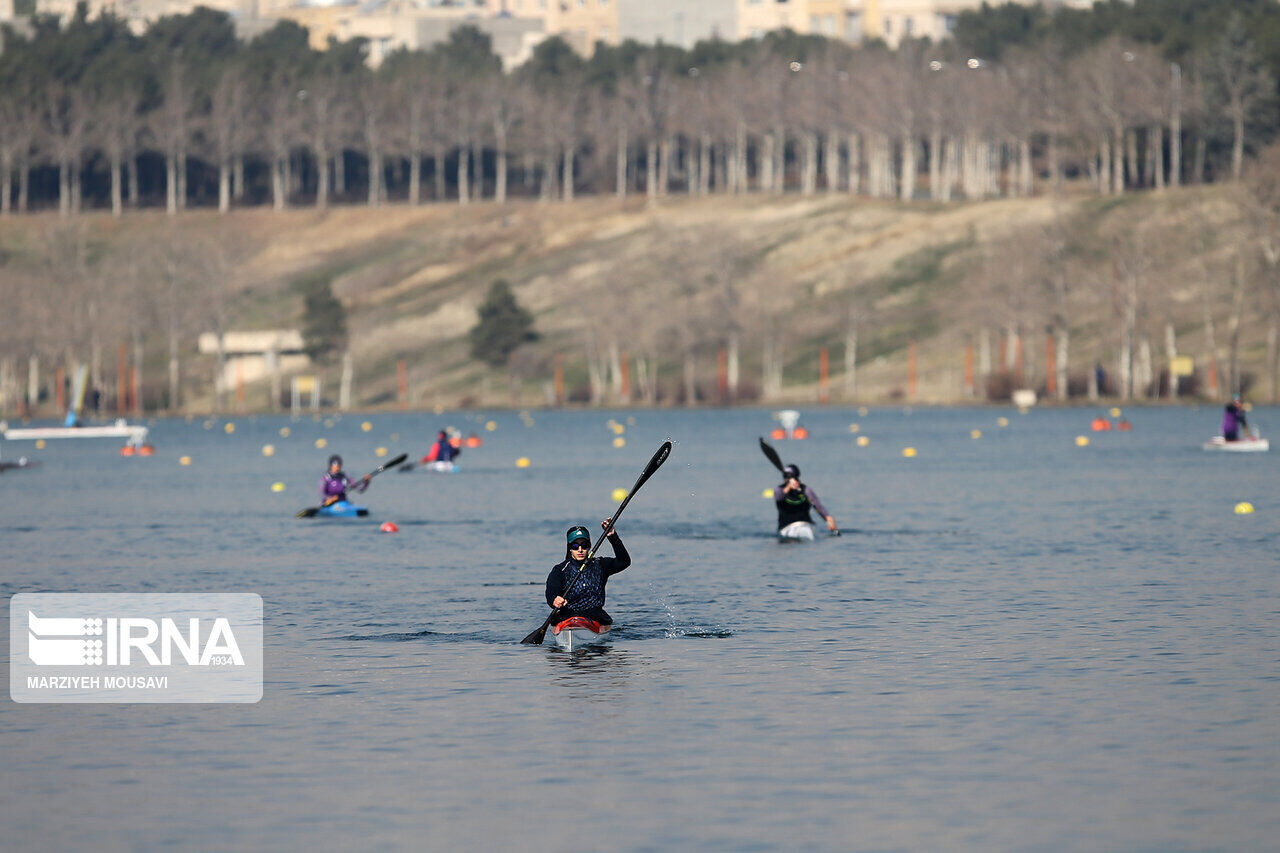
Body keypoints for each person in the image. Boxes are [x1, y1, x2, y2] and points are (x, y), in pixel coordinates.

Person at [544, 519, 630, 626]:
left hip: (595, 615)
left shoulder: (601, 564)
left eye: (584, 545)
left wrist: (613, 536)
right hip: (568, 616)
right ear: (570, 548)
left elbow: (624, 562)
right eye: (575, 546)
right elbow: (551, 592)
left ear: (589, 546)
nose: (580, 549)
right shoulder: (560, 570)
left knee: (597, 615)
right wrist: (554, 600)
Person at [776, 464, 839, 534]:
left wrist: (828, 518)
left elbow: (818, 506)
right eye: (786, 478)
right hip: (785, 527)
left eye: (788, 478)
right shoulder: (779, 490)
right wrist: (788, 487)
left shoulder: (806, 490)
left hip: (806, 525)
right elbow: (779, 498)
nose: (786, 480)